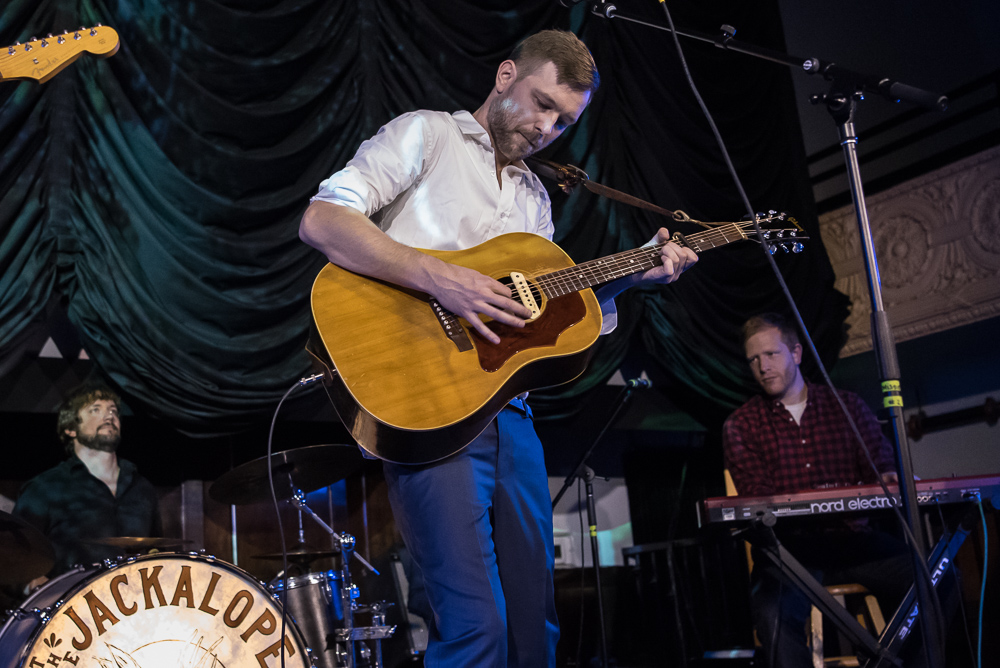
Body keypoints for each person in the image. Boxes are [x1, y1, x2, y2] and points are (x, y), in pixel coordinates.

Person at [299, 30, 697, 667]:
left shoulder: (535, 196)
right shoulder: (425, 135)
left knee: (533, 633)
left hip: (511, 415)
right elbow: (323, 219)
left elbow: (548, 320)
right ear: (506, 74)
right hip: (430, 409)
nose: (547, 128)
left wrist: (634, 273)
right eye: (541, 103)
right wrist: (440, 277)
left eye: (563, 120)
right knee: (475, 631)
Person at [723, 313, 916, 667]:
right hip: (792, 551)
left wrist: (888, 477)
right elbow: (759, 500)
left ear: (796, 353)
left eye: (771, 354)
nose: (762, 367)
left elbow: (881, 466)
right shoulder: (742, 424)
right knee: (772, 613)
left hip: (855, 542)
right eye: (754, 359)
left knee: (934, 576)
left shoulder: (847, 406)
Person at [13, 385, 161, 589]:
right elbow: (12, 556)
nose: (109, 416)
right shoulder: (45, 488)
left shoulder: (142, 488)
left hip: (133, 609)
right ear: (71, 428)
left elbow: (156, 551)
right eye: (96, 410)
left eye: (113, 410)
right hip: (71, 609)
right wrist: (34, 584)